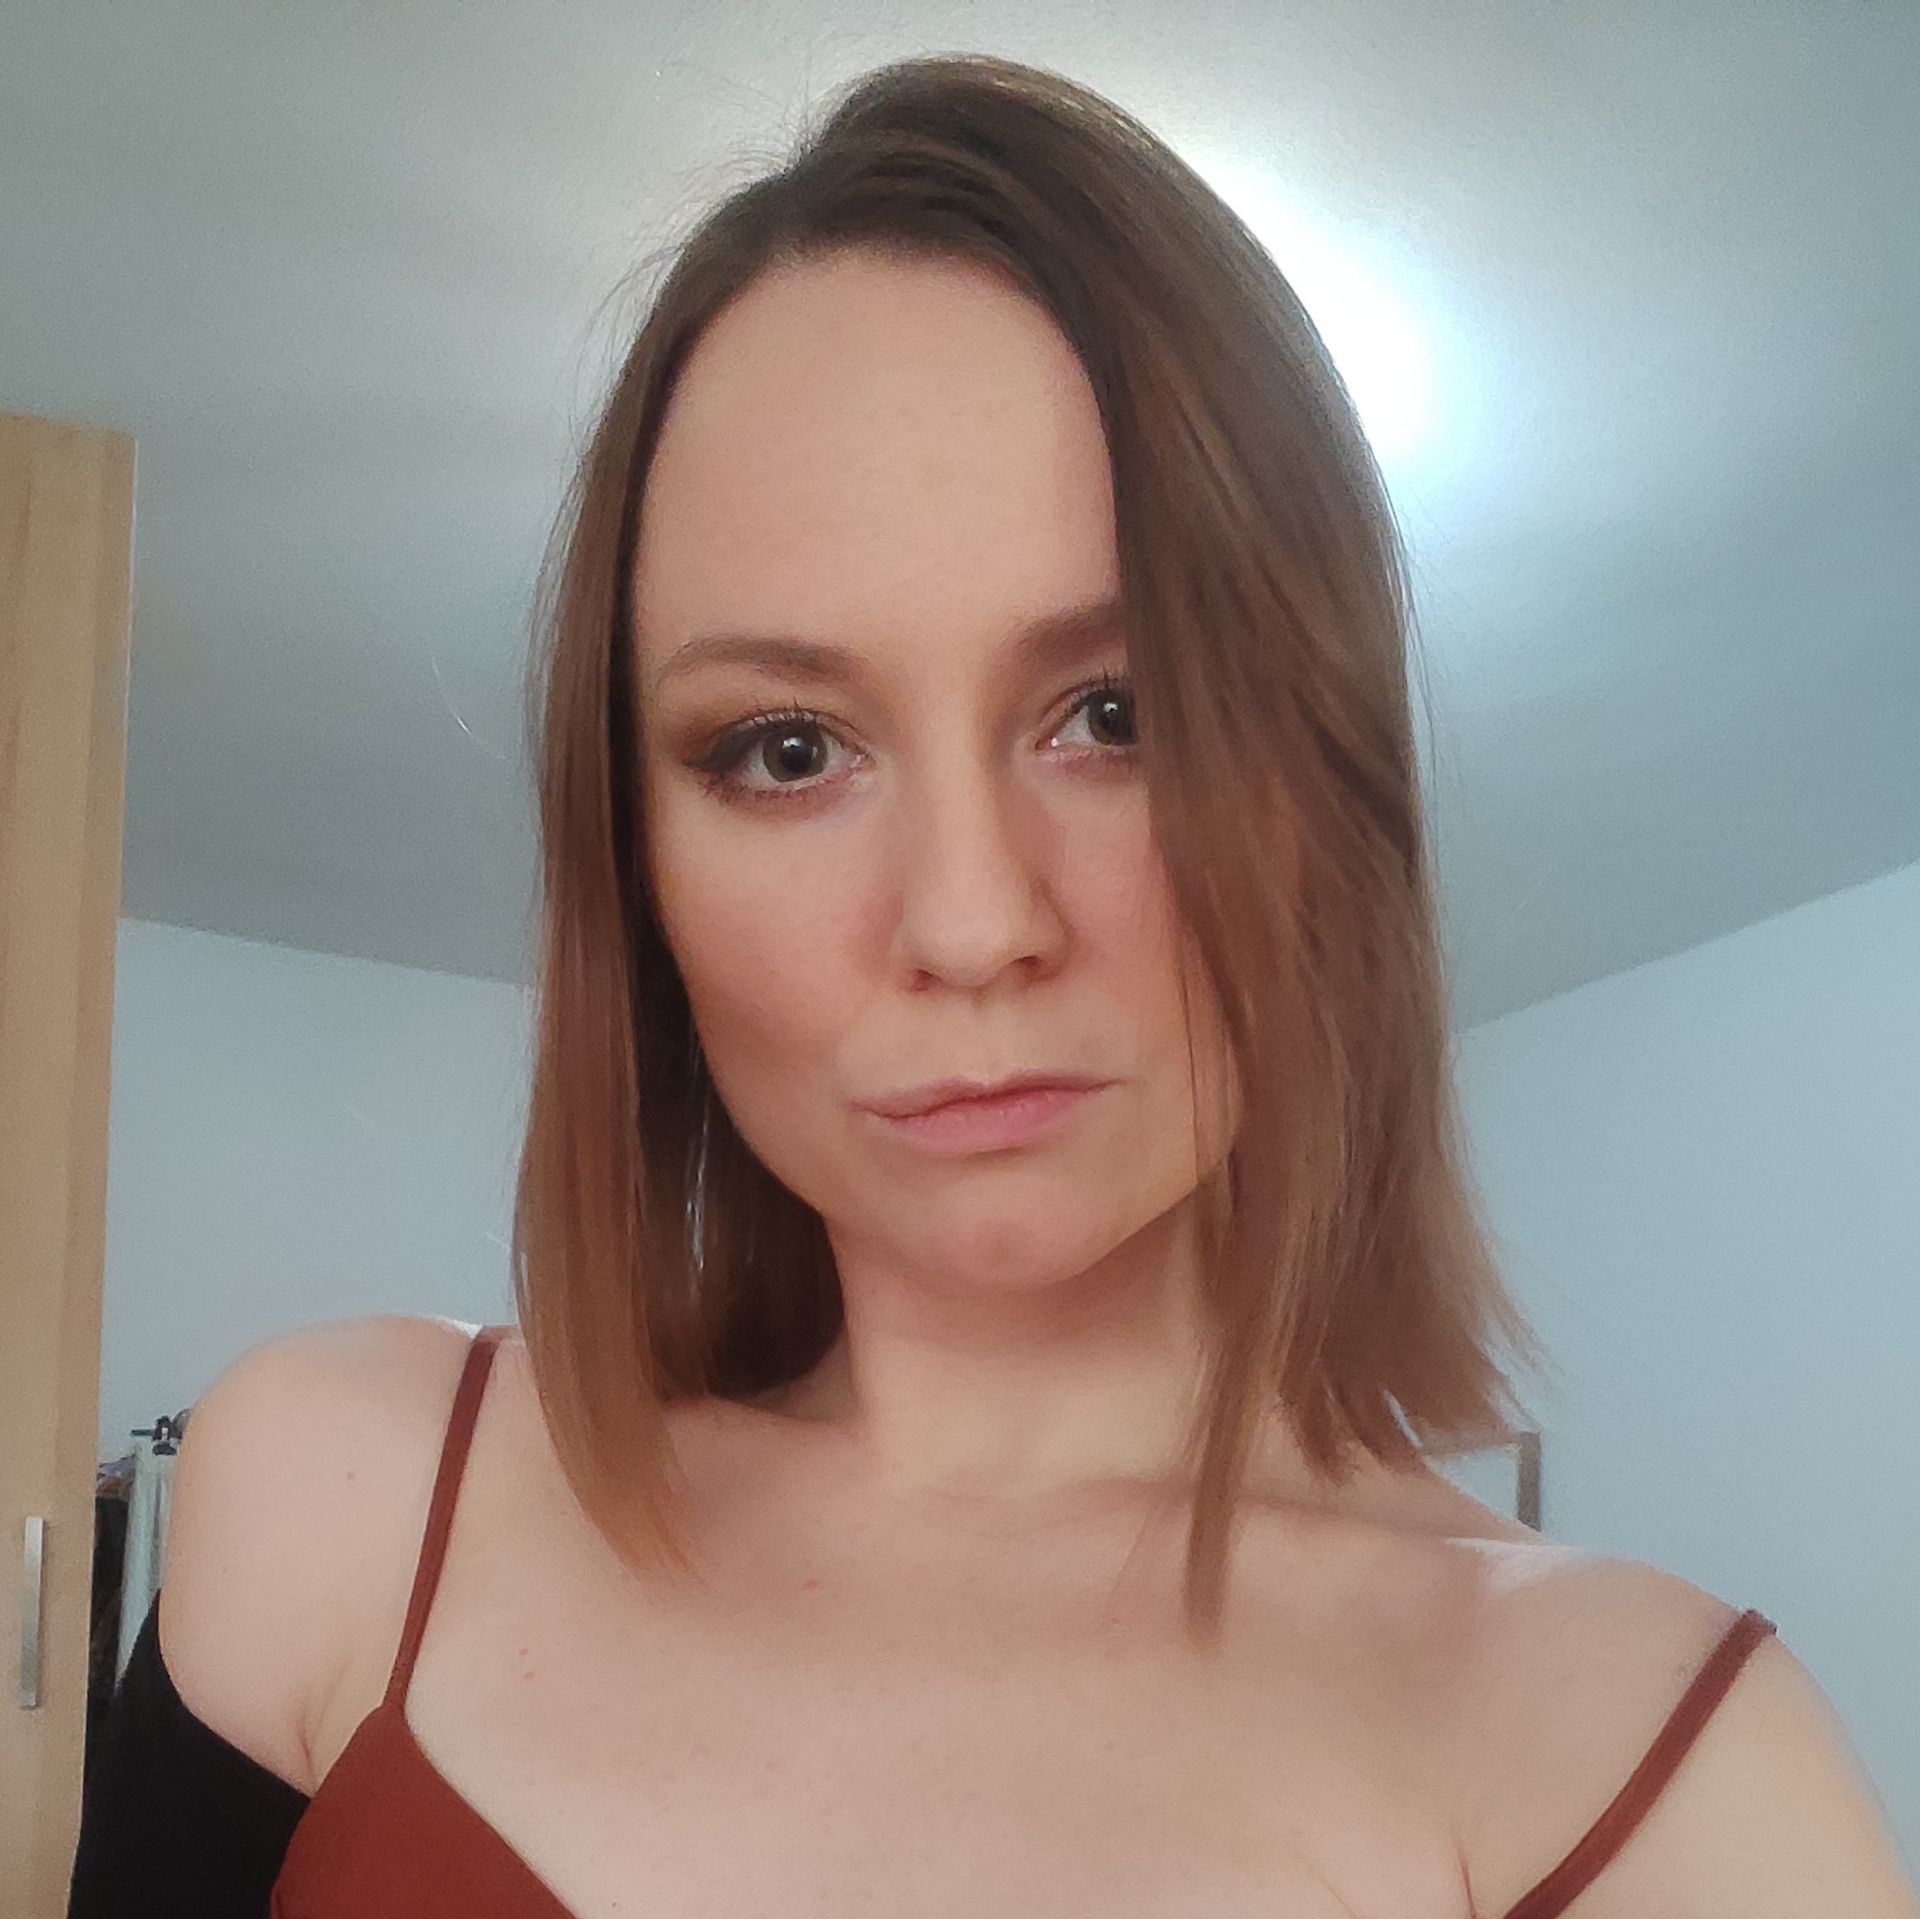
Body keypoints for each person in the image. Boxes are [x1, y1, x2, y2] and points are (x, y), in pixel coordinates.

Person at [71, 50, 1917, 1919]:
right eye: (789, 750)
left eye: (1120, 714)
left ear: (1329, 796)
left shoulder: (1655, 1776)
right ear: (637, 865)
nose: (970, 923)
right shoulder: (345, 1501)